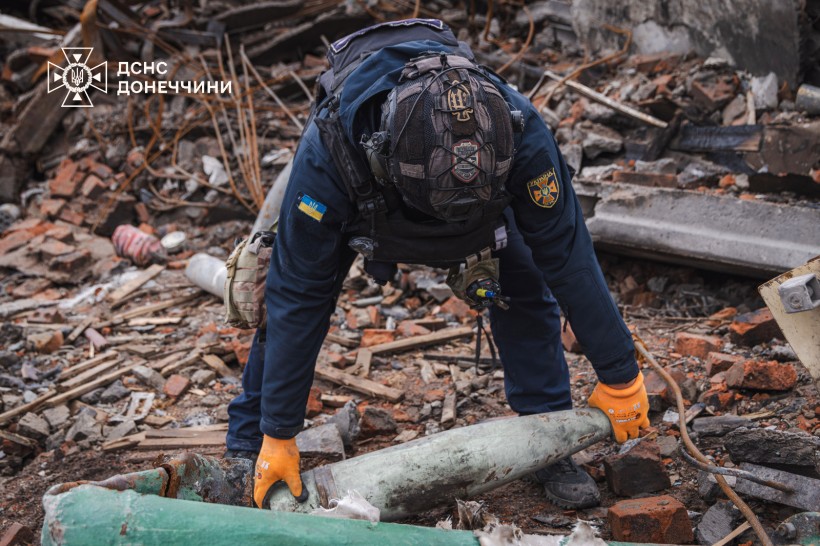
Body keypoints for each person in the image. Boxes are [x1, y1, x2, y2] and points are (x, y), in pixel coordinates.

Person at [225, 18, 650, 511]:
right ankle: (251, 445)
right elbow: (297, 296)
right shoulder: (332, 153)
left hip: (490, 210)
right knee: (286, 301)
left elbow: (570, 257)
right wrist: (279, 428)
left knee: (527, 287)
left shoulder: (521, 131)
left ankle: (548, 439)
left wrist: (619, 374)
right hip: (368, 207)